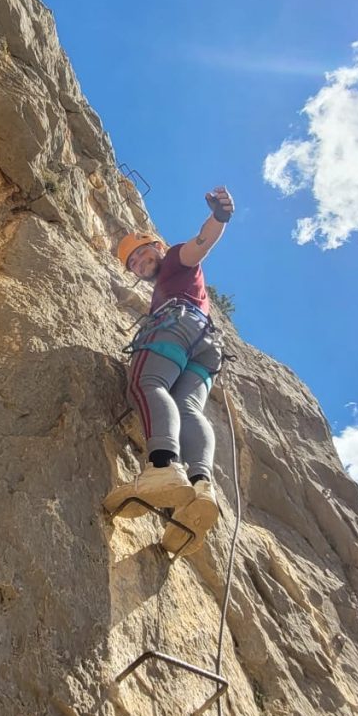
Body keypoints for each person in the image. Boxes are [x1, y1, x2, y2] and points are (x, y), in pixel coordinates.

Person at [105, 186, 234, 554]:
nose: (140, 265)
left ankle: (163, 466)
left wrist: (219, 217)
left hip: (176, 327)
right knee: (187, 407)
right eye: (133, 265)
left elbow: (201, 244)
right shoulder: (170, 280)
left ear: (158, 248)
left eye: (143, 255)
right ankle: (200, 487)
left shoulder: (176, 259)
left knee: (146, 382)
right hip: (207, 348)